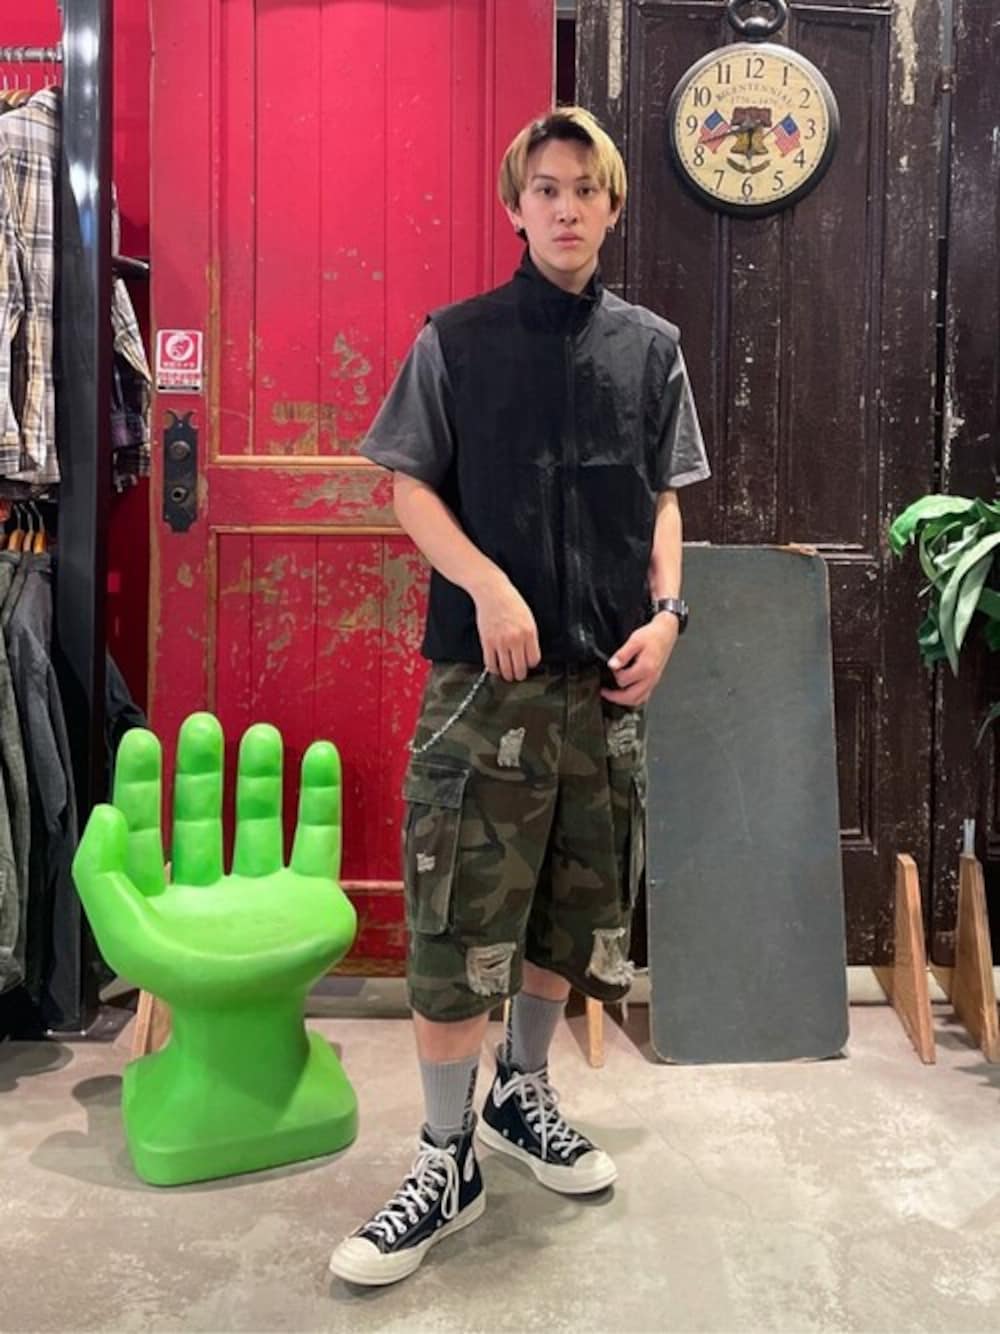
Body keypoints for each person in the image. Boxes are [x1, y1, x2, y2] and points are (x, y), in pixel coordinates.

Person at [329, 105, 710, 1287]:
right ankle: (444, 1154)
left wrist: (668, 614)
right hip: (482, 693)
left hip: (602, 691)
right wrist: (488, 584)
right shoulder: (456, 339)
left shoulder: (650, 349)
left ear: (611, 207)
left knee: (567, 909)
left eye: (585, 189)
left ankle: (520, 1094)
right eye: (545, 188)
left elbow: (663, 494)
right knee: (455, 927)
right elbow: (406, 485)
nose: (565, 206)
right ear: (515, 206)